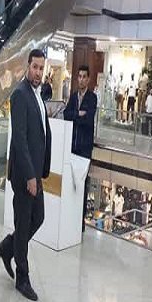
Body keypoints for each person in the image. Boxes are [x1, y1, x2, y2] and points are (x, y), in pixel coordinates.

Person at [0, 49, 51, 302]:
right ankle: (22, 278)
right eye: (35, 67)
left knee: (37, 217)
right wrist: (30, 176)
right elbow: (19, 139)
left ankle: (8, 247)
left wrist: (39, 172)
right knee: (24, 222)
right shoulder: (19, 94)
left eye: (41, 68)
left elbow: (40, 133)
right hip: (24, 175)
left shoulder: (38, 95)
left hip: (35, 173)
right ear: (27, 67)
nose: (38, 72)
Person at [63, 65, 97, 231]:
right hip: (72, 147)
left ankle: (80, 221)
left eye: (84, 76)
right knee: (70, 183)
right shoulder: (73, 97)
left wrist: (76, 116)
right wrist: (78, 114)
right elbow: (66, 115)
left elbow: (88, 120)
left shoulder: (92, 98)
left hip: (84, 149)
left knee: (82, 185)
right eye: (80, 76)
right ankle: (70, 218)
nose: (81, 79)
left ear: (88, 79)